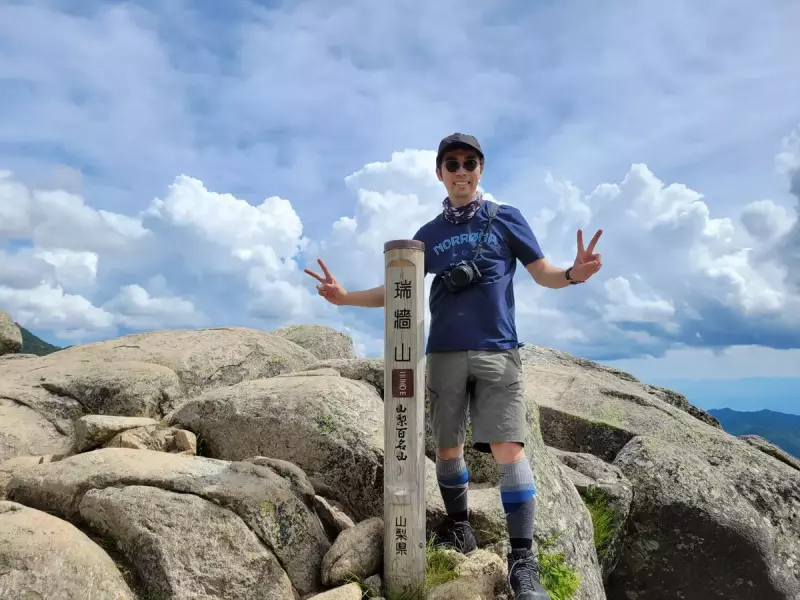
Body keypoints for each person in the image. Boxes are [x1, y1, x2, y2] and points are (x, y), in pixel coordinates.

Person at [305, 133, 603, 600]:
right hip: (442, 351)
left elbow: (541, 271)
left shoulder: (505, 218)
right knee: (448, 450)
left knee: (509, 448)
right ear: (439, 173)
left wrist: (572, 274)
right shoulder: (428, 234)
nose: (461, 171)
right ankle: (460, 528)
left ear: (480, 170)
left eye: (469, 163)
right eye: (452, 163)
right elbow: (397, 288)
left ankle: (523, 562)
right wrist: (345, 298)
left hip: (497, 350)